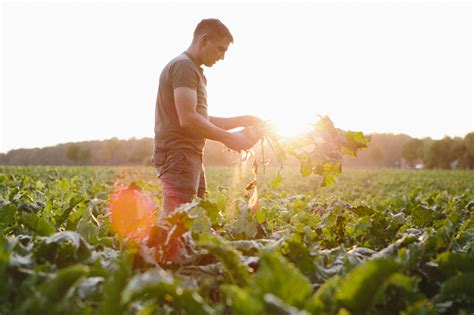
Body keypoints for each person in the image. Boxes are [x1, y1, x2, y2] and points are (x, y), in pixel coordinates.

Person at [152, 18, 263, 212]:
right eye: (221, 49)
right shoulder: (184, 66)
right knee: (176, 224)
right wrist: (229, 138)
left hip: (189, 154)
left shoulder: (194, 70)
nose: (222, 57)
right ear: (204, 40)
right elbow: (188, 120)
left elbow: (197, 118)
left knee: (192, 220)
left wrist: (240, 120)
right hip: (179, 154)